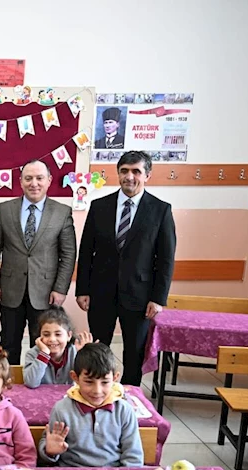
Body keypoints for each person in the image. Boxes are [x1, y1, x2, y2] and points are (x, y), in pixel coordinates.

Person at [75, 150, 176, 386]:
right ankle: (96, 392)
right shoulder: (99, 206)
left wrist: (158, 298)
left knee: (134, 352)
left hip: (140, 296)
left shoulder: (160, 210)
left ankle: (130, 397)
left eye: (136, 171)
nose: (130, 177)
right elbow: (86, 251)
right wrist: (82, 289)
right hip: (101, 293)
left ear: (147, 175)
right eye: (124, 171)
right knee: (98, 349)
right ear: (118, 173)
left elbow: (166, 259)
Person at [0, 160, 77, 364]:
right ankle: (9, 380)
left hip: (46, 292)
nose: (34, 183)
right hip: (10, 289)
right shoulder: (5, 209)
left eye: (39, 178)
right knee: (9, 343)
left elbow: (68, 254)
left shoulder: (62, 212)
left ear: (49, 180)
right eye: (28, 178)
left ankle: (39, 382)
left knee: (44, 346)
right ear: (20, 181)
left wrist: (60, 288)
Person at [22, 307, 93, 388]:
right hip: (41, 396)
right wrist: (44, 353)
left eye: (58, 334)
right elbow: (31, 383)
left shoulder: (75, 352)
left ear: (69, 335)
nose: (52, 339)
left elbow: (89, 379)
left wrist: (84, 355)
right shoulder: (32, 354)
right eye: (46, 335)